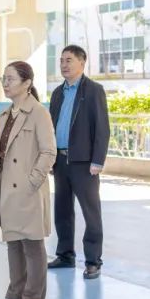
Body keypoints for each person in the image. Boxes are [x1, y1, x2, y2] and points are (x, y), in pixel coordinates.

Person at [0, 62, 57, 299]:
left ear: (27, 83)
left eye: (11, 79)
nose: (5, 83)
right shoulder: (6, 114)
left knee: (33, 245)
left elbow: (48, 151)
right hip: (6, 188)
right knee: (13, 243)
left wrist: (32, 182)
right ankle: (15, 294)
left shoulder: (38, 113)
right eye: (3, 78)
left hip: (27, 190)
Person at [46, 45, 110, 279]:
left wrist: (97, 160)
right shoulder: (57, 93)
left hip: (84, 162)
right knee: (62, 210)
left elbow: (102, 128)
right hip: (60, 160)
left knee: (90, 212)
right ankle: (65, 255)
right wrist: (50, 158)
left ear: (82, 63)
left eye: (69, 60)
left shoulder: (93, 90)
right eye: (61, 60)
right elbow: (51, 127)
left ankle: (93, 261)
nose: (64, 64)